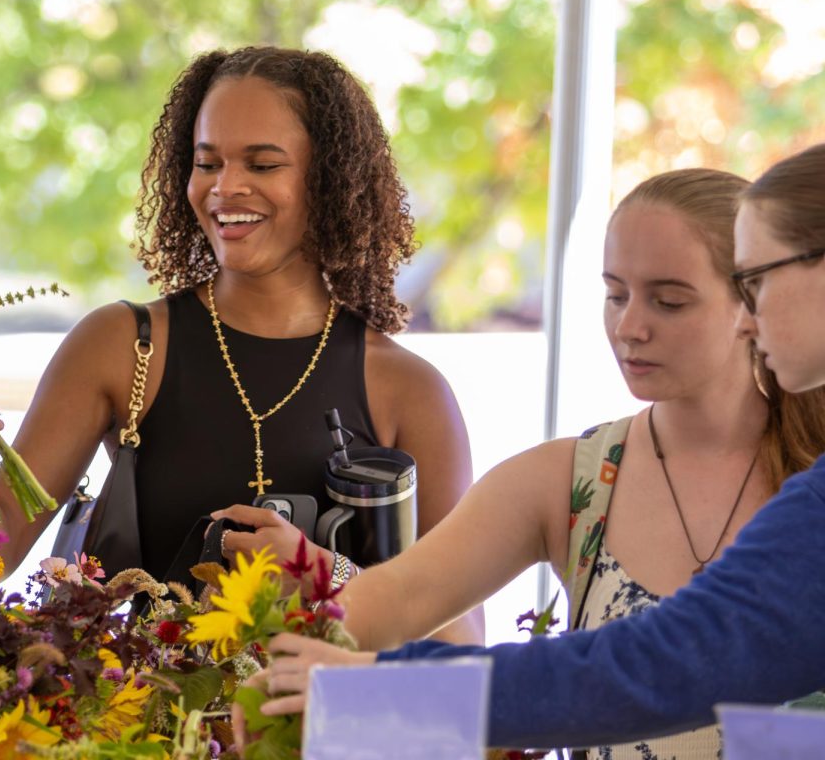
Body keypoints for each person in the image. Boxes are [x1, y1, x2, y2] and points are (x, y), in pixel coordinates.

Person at [241, 162, 825, 755]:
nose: (629, 326)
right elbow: (404, 597)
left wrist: (370, 687)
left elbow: (638, 671)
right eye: (614, 293)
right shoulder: (573, 478)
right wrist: (276, 662)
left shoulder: (811, 486)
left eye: (670, 301)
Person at [0, 46, 480, 641]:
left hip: (323, 732)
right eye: (207, 163)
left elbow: (460, 641)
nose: (226, 187)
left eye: (263, 165)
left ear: (330, 179)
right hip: (136, 730)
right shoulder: (123, 346)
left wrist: (322, 574)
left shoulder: (410, 392)